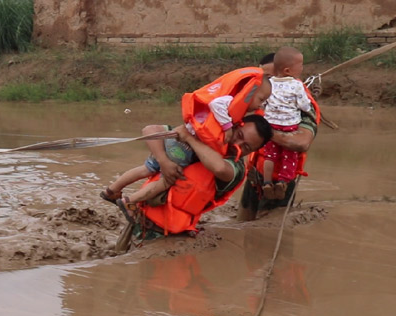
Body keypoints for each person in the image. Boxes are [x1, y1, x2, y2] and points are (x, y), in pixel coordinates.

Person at [100, 68, 271, 223]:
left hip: (166, 225)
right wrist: (164, 161)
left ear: (253, 152)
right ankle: (129, 201)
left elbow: (220, 169)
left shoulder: (236, 166)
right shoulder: (227, 114)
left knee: (147, 168)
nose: (238, 144)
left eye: (247, 147)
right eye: (239, 135)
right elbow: (150, 130)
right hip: (144, 219)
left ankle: (113, 190)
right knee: (165, 180)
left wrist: (187, 138)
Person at [236, 53, 322, 222]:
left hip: (280, 181)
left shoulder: (303, 108)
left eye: (269, 77)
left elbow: (301, 143)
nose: (264, 83)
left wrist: (264, 131)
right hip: (255, 175)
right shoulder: (262, 99)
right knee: (242, 224)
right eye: (262, 78)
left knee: (270, 229)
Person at [261, 47, 314, 200]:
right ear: (287, 70)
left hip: (270, 126)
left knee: (269, 156)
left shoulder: (268, 84)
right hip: (289, 127)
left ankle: (266, 183)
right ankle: (283, 182)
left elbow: (263, 103)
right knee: (289, 155)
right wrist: (308, 103)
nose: (302, 68)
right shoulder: (297, 85)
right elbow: (304, 105)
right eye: (301, 65)